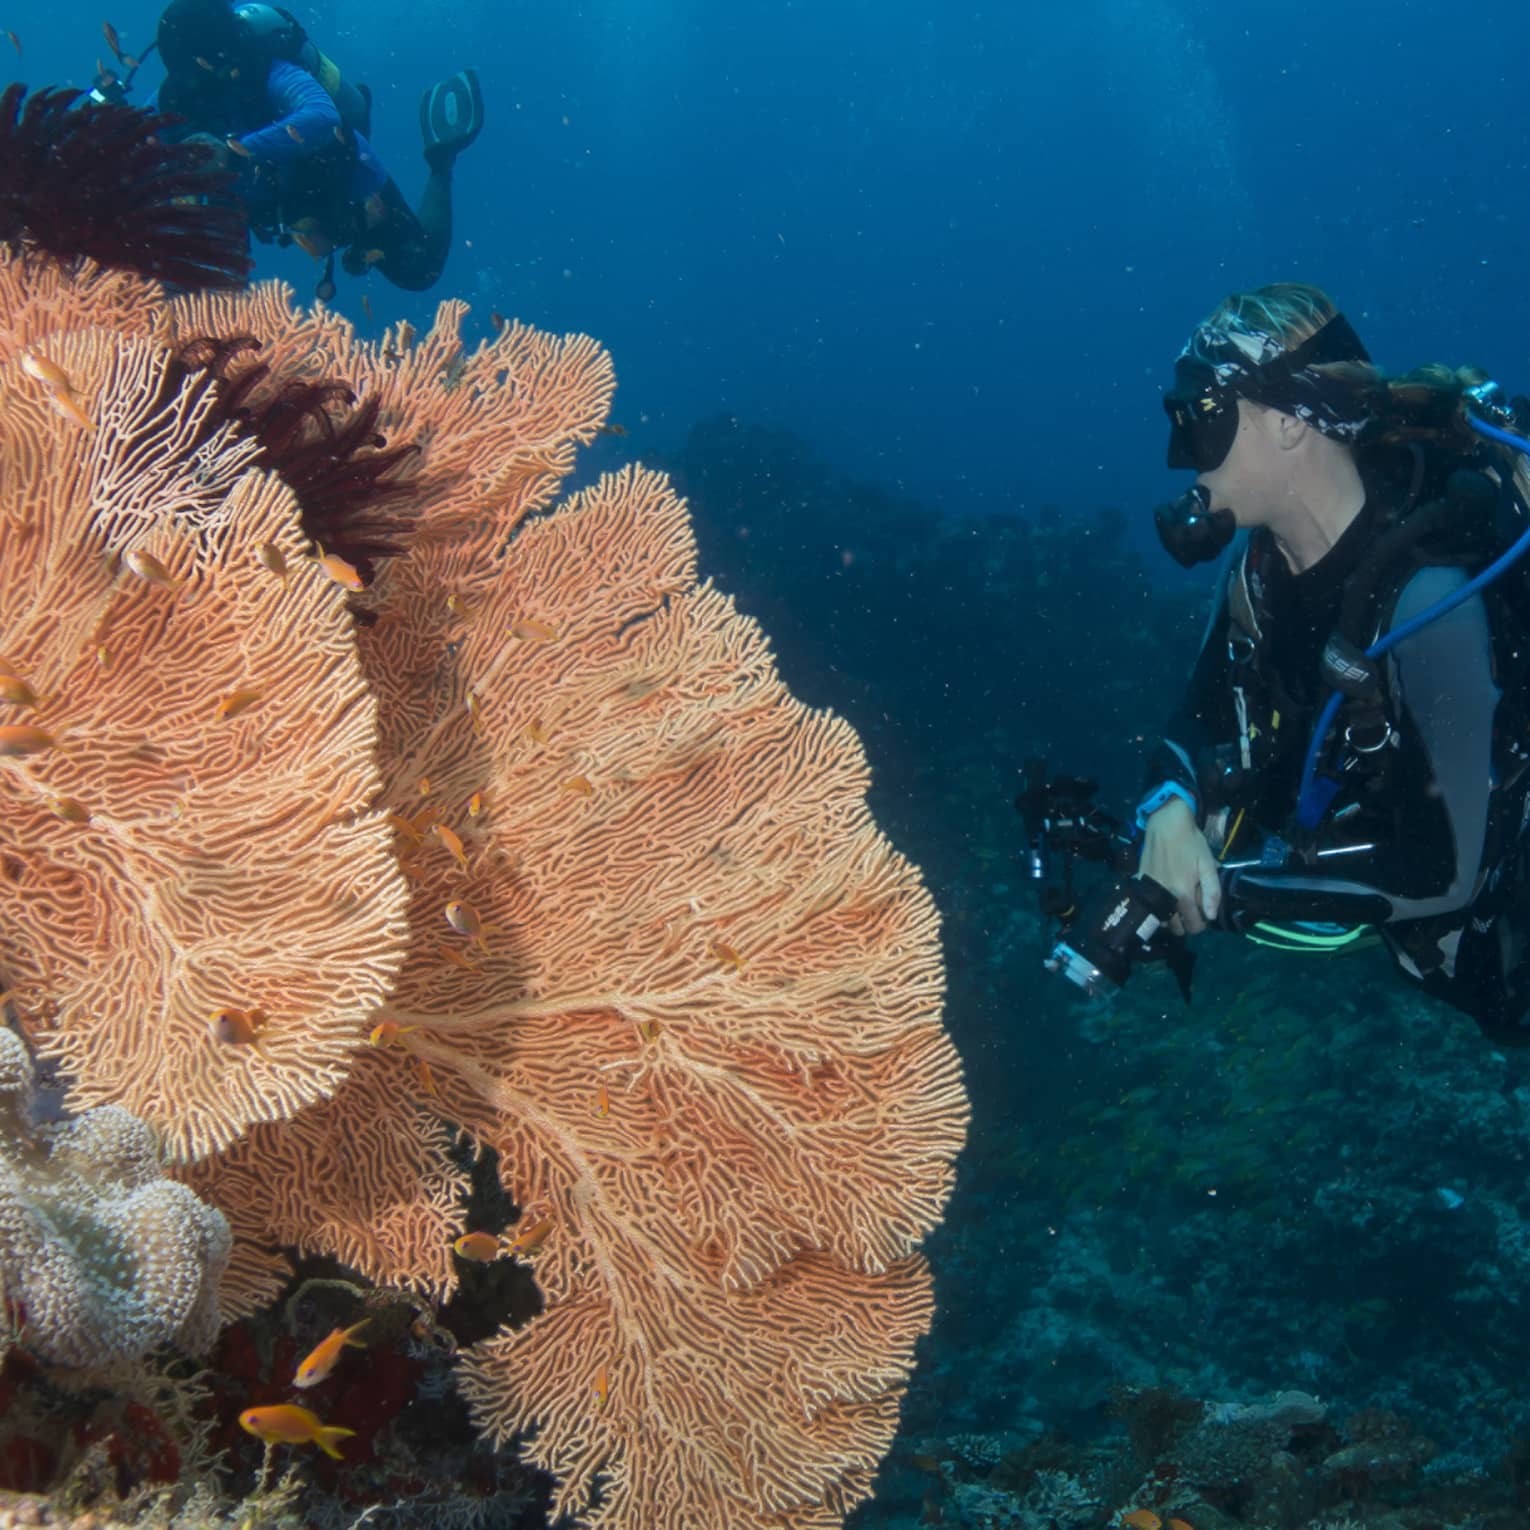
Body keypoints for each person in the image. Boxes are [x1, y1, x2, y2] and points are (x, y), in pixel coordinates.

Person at [1135, 282, 1530, 1045]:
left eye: (1203, 420)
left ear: (1288, 425)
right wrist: (1171, 811)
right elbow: (1200, 711)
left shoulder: (1429, 597)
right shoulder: (1259, 577)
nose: (1183, 458)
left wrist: (1223, 895)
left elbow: (1442, 872)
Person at [152, 0, 483, 295]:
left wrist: (234, 150)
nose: (197, 82)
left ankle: (441, 162)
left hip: (337, 185)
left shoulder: (268, 68)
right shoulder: (176, 93)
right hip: (255, 197)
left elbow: (322, 116)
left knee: (418, 271)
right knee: (206, 286)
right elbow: (136, 131)